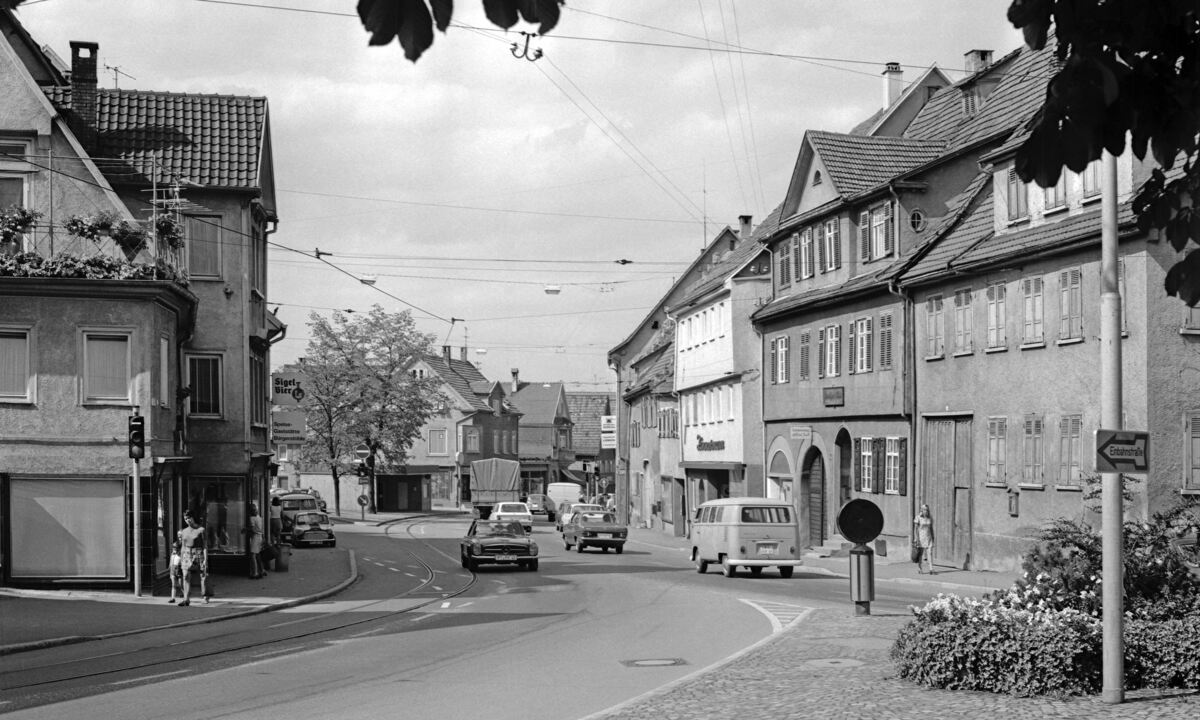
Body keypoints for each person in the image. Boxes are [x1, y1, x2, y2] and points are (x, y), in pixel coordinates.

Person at [178, 510, 209, 605]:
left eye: (189, 518)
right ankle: (186, 599)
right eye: (185, 519)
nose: (187, 520)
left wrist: (205, 559)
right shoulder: (183, 531)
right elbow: (183, 546)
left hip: (198, 552)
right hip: (187, 554)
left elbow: (205, 546)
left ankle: (205, 596)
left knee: (203, 575)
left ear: (193, 517)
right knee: (185, 576)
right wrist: (181, 558)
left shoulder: (201, 530)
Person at [913, 503, 935, 575]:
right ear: (921, 510)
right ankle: (920, 568)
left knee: (930, 553)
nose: (926, 511)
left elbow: (931, 528)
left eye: (927, 510)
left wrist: (933, 537)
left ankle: (931, 569)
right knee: (921, 554)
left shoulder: (930, 517)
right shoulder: (918, 517)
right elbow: (916, 529)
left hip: (928, 537)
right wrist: (916, 538)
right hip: (921, 537)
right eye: (924, 509)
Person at [245, 503, 265, 579]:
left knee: (252, 555)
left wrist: (245, 529)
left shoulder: (252, 518)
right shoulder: (259, 517)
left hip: (255, 537)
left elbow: (253, 529)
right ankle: (262, 570)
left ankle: (255, 573)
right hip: (260, 537)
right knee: (258, 555)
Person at [167, 538, 183, 603]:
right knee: (173, 585)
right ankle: (172, 598)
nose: (173, 548)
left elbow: (183, 562)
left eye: (175, 547)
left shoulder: (181, 554)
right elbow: (171, 561)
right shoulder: (172, 554)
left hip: (179, 569)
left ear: (178, 548)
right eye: (173, 547)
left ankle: (186, 596)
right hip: (173, 569)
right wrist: (169, 568)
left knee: (180, 585)